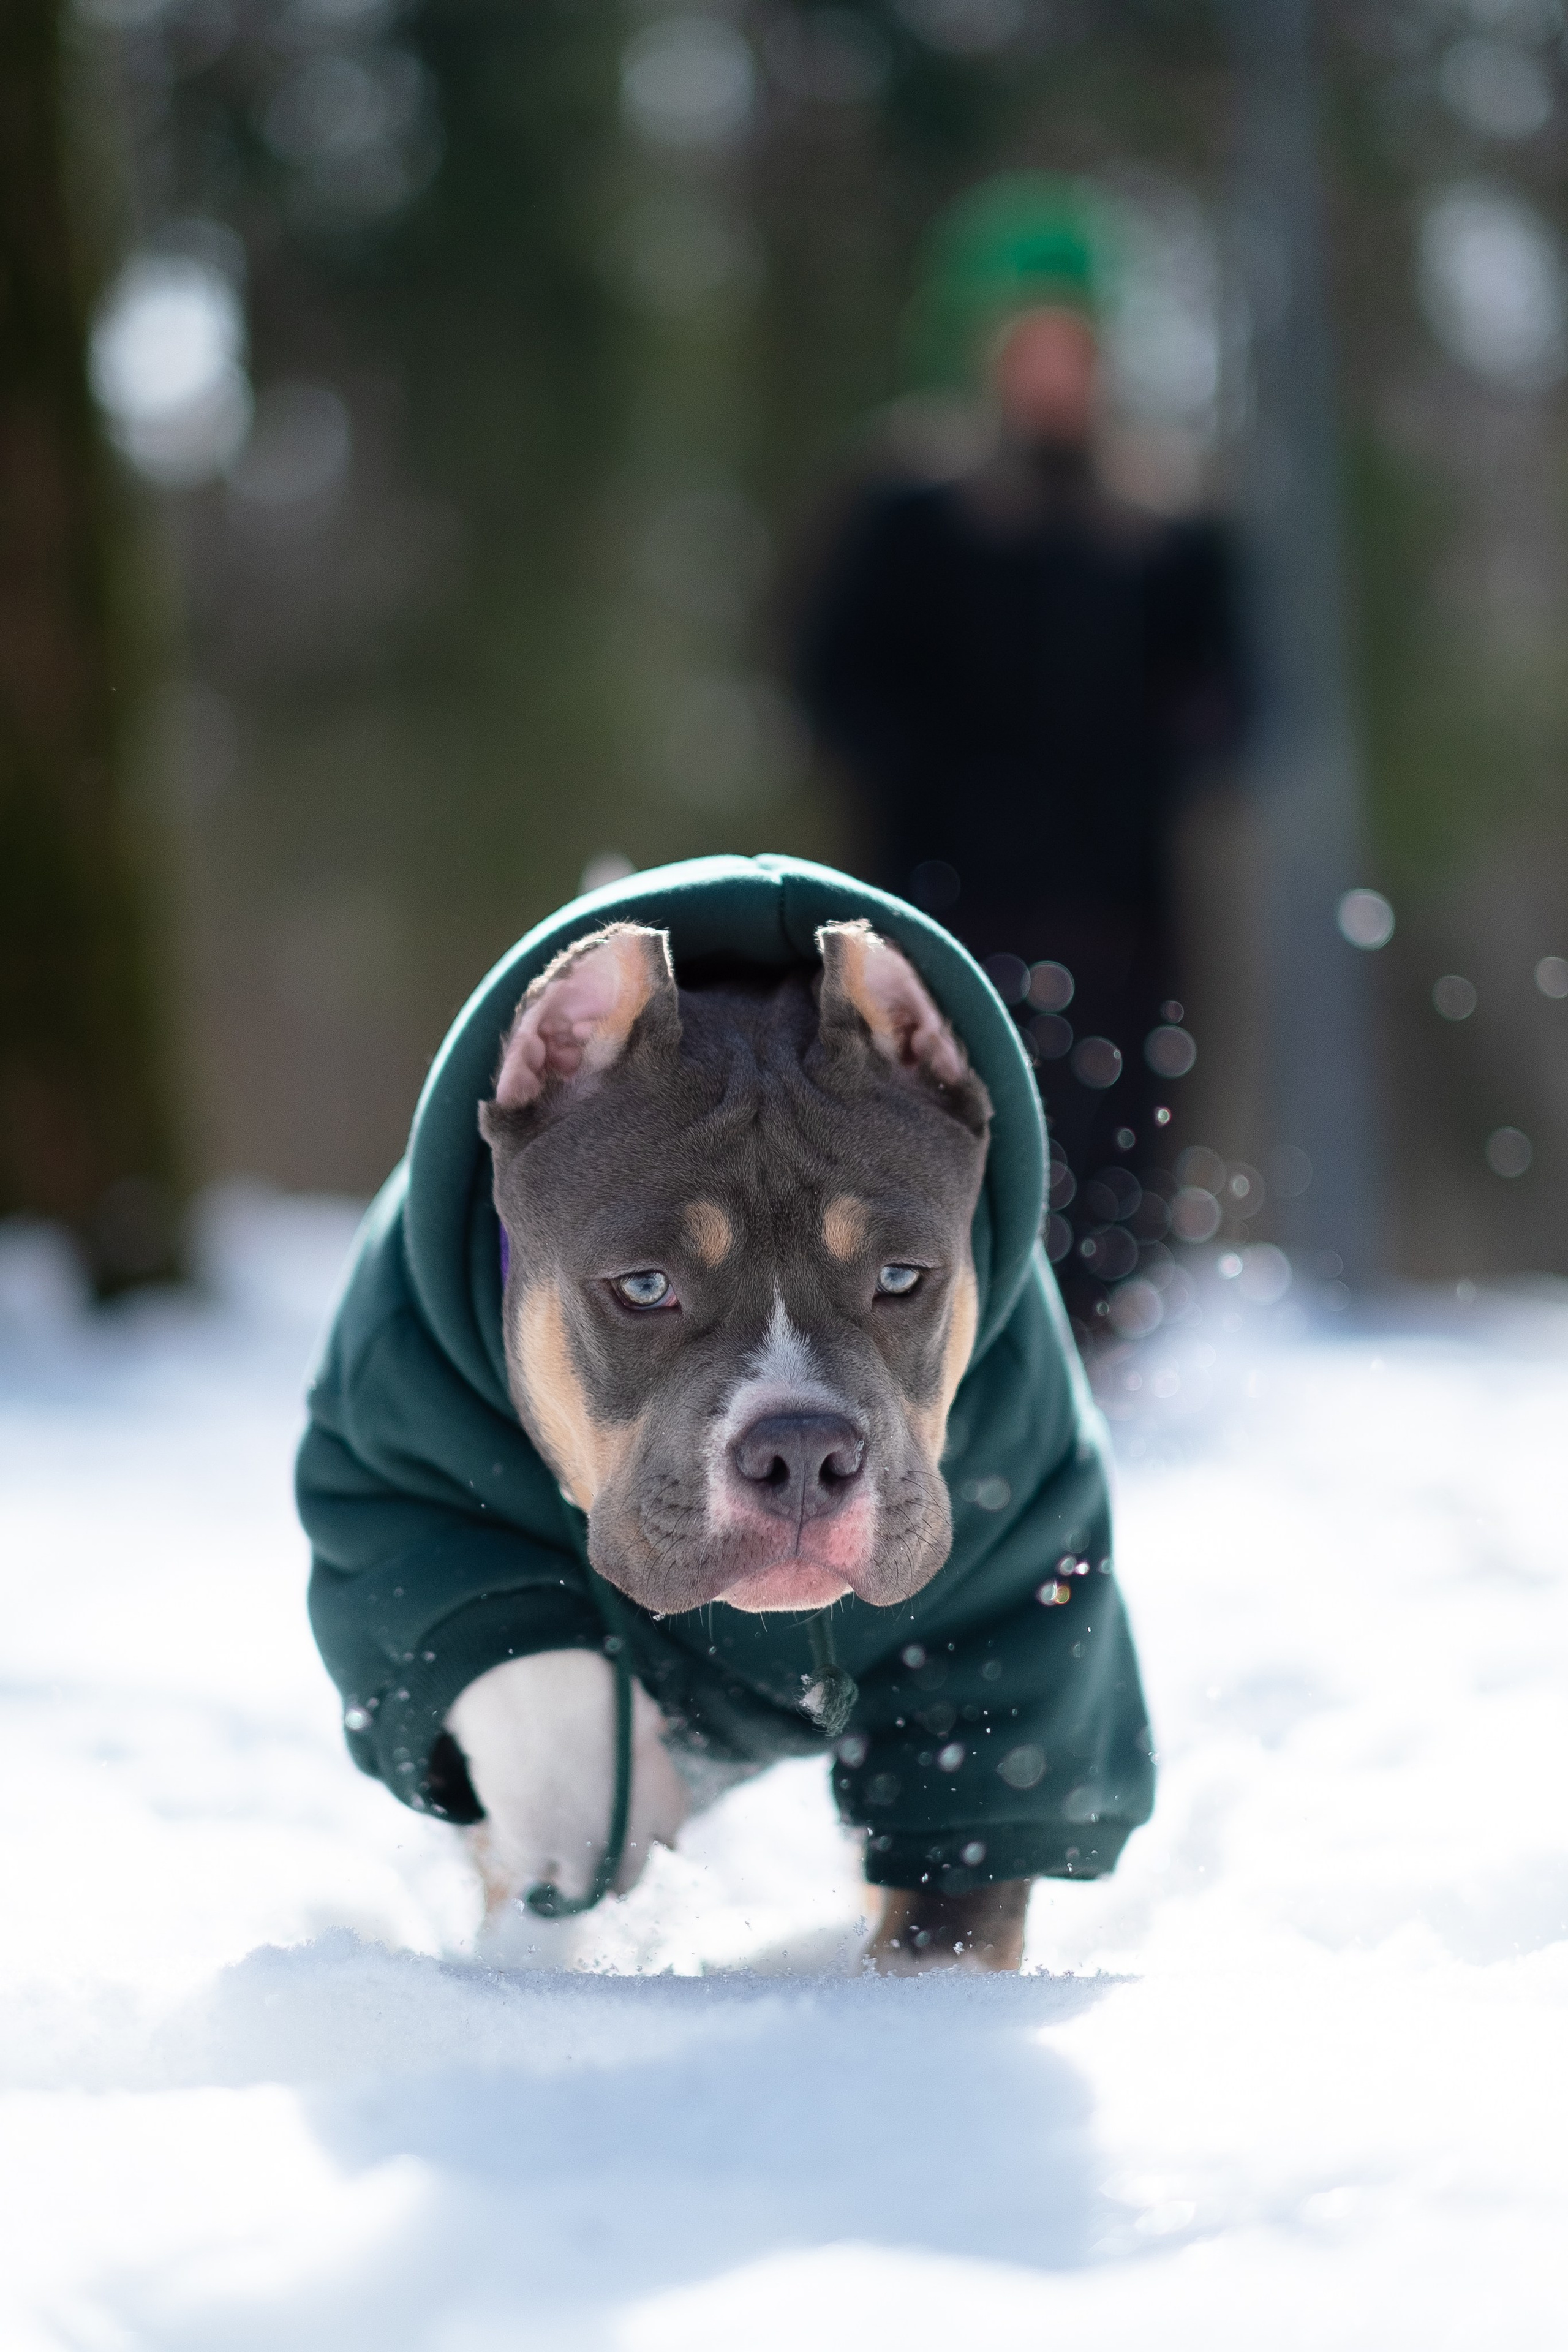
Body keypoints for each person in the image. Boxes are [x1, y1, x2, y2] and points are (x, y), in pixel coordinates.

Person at [793, 178, 1247, 1338]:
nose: (1051, 372)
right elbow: (835, 685)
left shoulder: (1169, 531)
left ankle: (1091, 1359)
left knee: (1110, 1166)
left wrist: (1158, 760)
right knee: (930, 1149)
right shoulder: (909, 513)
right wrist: (937, 781)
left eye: (1071, 347)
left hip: (1120, 923)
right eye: (1028, 345)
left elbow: (1237, 703)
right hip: (943, 913)